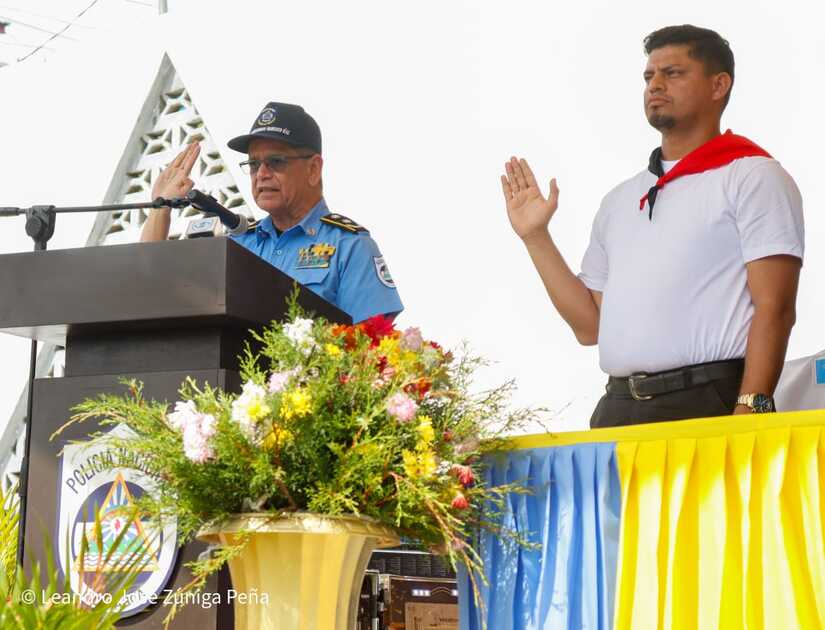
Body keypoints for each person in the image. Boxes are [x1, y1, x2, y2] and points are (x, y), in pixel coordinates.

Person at [501, 25, 804, 428]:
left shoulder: (753, 177)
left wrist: (752, 408)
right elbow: (590, 326)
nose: (655, 85)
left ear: (718, 85)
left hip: (708, 400)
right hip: (618, 405)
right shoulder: (620, 200)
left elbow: (776, 307)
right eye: (649, 76)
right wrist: (535, 237)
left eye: (673, 73)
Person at [142, 101, 403, 324]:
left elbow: (372, 349)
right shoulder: (236, 245)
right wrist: (160, 208)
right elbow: (150, 288)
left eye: (276, 162)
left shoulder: (349, 246)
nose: (262, 174)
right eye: (254, 164)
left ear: (313, 169)